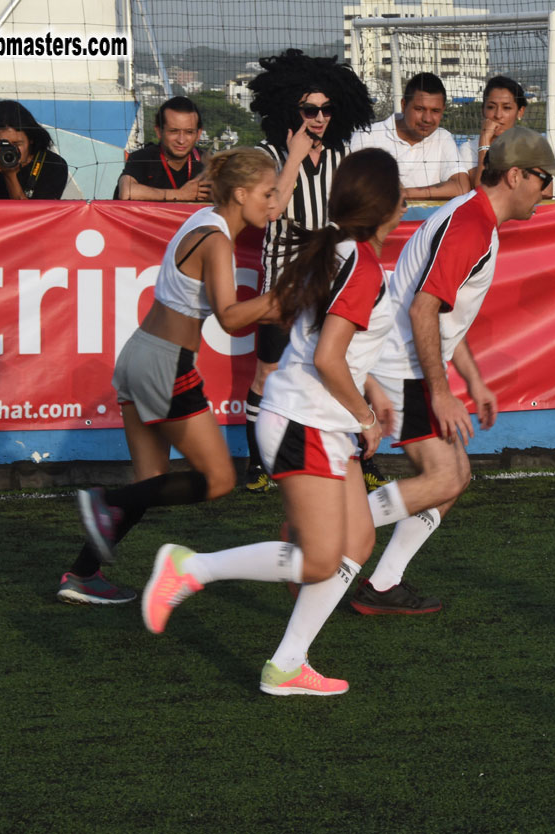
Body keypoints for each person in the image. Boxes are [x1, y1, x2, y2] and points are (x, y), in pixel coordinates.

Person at [139, 148, 406, 696]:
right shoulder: (358, 261)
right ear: (389, 206)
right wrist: (366, 417)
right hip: (305, 420)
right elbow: (330, 358)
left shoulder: (343, 250)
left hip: (318, 419)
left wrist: (370, 391)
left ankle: (287, 663)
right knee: (319, 561)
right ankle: (192, 568)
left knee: (355, 545)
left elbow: (334, 346)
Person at [350, 126, 555, 615]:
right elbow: (423, 310)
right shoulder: (471, 225)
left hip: (404, 362)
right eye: (543, 178)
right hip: (399, 367)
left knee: (456, 475)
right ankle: (330, 531)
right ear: (515, 176)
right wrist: (440, 392)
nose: (547, 189)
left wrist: (469, 379)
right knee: (445, 478)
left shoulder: (474, 217)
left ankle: (383, 584)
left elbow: (443, 315)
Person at [61, 148, 279, 604]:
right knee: (218, 480)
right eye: (267, 192)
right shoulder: (217, 239)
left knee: (150, 482)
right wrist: (283, 297)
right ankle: (107, 504)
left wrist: (294, 150)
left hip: (139, 355)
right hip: (165, 363)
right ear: (240, 194)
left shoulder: (205, 216)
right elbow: (231, 317)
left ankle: (81, 575)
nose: (274, 201)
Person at [241, 49, 375, 493]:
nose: (319, 118)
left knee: (341, 367)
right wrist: (294, 157)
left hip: (329, 278)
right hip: (283, 280)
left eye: (326, 109)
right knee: (267, 370)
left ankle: (357, 455)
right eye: (309, 110)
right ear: (289, 109)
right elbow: (269, 210)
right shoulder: (267, 154)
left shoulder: (341, 155)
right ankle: (257, 466)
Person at [349, 72, 469, 201]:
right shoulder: (366, 136)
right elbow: (354, 189)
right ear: (403, 105)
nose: (427, 119)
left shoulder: (442, 137)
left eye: (435, 111)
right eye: (419, 109)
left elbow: (461, 187)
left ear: (443, 110)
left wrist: (403, 193)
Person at [0, 100, 68, 200]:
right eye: (2, 144)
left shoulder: (53, 164)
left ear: (31, 139)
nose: (9, 150)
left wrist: (10, 175)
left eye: (16, 144)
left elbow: (33, 218)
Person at [114, 96, 210, 202]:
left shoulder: (206, 163)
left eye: (189, 132)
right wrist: (180, 195)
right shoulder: (143, 158)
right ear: (159, 132)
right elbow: (126, 192)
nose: (181, 140)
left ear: (199, 134)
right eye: (174, 131)